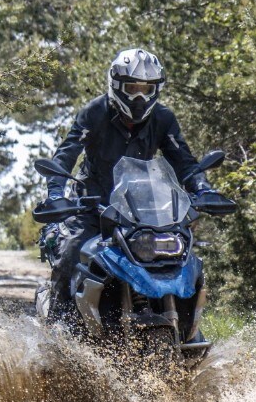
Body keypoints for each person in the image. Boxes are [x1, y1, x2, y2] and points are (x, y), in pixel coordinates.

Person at [41, 48, 215, 320]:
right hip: (92, 207)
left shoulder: (163, 118)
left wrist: (203, 188)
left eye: (146, 89)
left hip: (141, 209)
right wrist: (55, 193)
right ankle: (56, 329)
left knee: (180, 255)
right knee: (72, 249)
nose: (139, 97)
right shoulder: (95, 112)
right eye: (132, 87)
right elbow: (66, 154)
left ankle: (187, 325)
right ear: (116, 85)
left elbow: (184, 162)